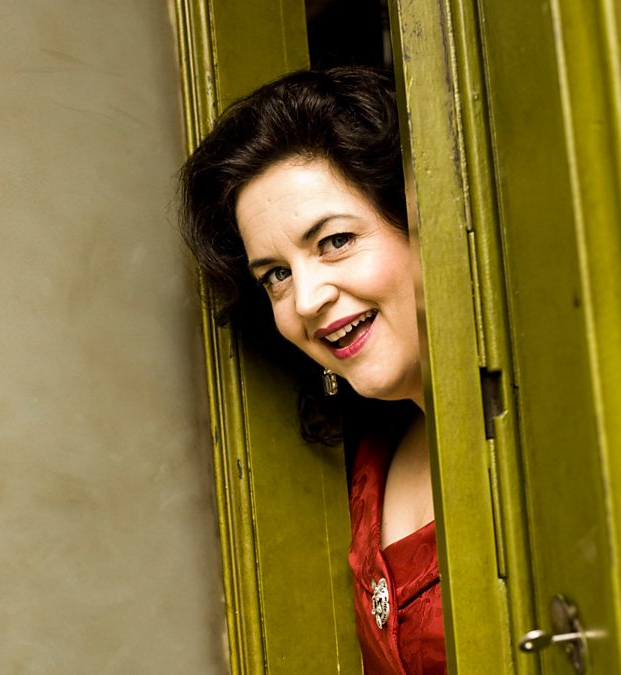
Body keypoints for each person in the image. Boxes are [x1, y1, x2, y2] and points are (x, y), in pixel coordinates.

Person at [178, 67, 445, 674]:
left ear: (423, 224)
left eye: (334, 241)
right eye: (275, 274)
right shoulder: (368, 461)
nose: (305, 299)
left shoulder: (537, 441)